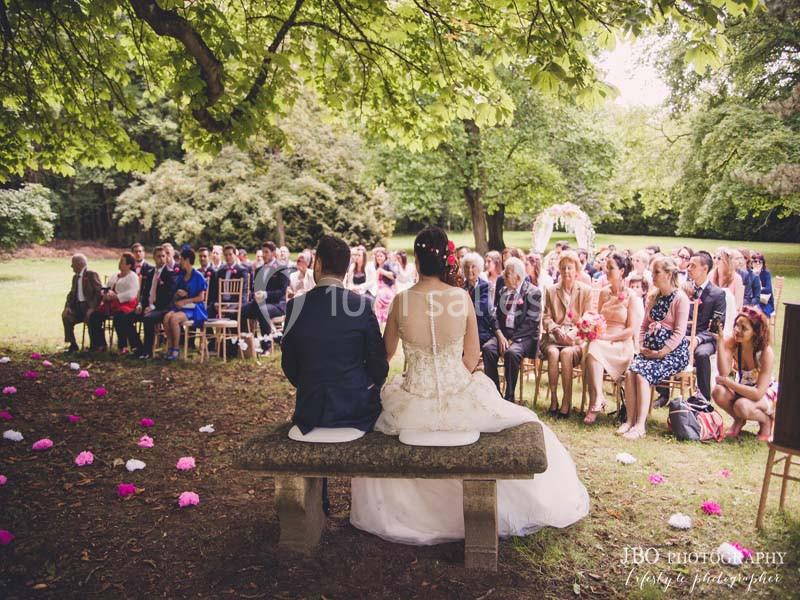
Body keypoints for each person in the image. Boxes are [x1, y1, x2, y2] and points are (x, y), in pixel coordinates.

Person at [350, 227, 589, 545]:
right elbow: (472, 357)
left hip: (412, 400)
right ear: (447, 262)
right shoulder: (460, 299)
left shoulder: (401, 301)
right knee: (518, 421)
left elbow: (387, 355)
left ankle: (415, 515)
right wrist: (449, 379)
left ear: (417, 262)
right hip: (456, 390)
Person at [621, 258, 690, 439]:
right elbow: (643, 326)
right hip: (649, 351)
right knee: (630, 372)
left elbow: (679, 333)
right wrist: (642, 346)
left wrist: (660, 353)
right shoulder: (653, 297)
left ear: (668, 274)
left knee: (642, 374)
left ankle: (640, 425)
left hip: (672, 354)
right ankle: (629, 420)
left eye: (656, 272)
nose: (652, 276)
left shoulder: (680, 299)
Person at [660, 250, 726, 404]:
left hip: (706, 339)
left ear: (705, 269)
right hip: (682, 334)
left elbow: (716, 328)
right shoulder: (682, 290)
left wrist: (697, 339)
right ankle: (663, 393)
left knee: (702, 354)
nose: (688, 268)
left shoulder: (718, 294)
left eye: (693, 266)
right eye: (688, 265)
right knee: (662, 343)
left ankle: (703, 397)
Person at [584, 253, 640, 424]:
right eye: (606, 267)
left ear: (622, 271)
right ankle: (598, 398)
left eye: (611, 268)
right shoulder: (603, 293)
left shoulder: (631, 296)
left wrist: (610, 337)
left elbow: (631, 329)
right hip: (603, 339)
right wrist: (591, 325)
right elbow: (599, 318)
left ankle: (596, 402)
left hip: (622, 343)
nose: (606, 270)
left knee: (594, 347)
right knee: (592, 346)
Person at [481, 257, 542, 402]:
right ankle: (495, 394)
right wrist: (500, 335)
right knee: (488, 349)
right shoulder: (503, 291)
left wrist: (511, 340)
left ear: (518, 278)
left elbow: (531, 323)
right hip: (503, 334)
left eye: (507, 274)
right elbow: (494, 315)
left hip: (523, 337)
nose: (503, 275)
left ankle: (509, 396)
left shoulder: (533, 293)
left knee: (512, 353)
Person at [712, 307, 778, 441]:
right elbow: (724, 372)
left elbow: (758, 393)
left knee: (741, 405)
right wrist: (720, 342)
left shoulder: (765, 352)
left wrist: (728, 383)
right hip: (744, 388)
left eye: (744, 328)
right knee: (717, 391)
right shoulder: (734, 343)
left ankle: (765, 421)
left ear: (755, 332)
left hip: (765, 393)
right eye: (736, 325)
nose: (737, 330)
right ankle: (739, 420)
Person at [541, 251, 592, 417]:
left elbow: (588, 316)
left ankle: (566, 401)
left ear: (576, 270)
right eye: (563, 268)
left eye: (570, 268)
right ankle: (554, 399)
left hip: (575, 340)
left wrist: (574, 331)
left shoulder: (585, 290)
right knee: (553, 353)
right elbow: (546, 317)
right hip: (554, 337)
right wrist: (555, 329)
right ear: (559, 270)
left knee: (566, 353)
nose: (566, 272)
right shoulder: (551, 290)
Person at [87, 252, 140, 352]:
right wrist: (105, 294)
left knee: (119, 317)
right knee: (94, 316)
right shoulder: (114, 275)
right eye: (119, 261)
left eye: (122, 262)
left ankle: (123, 346)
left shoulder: (133, 277)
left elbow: (132, 294)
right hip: (110, 304)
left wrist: (116, 297)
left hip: (126, 304)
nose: (119, 264)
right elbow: (106, 287)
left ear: (129, 265)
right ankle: (100, 344)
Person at [161, 248, 208, 360]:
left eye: (181, 259)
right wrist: (178, 293)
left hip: (194, 307)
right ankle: (170, 347)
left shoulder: (198, 276)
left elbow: (201, 297)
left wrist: (185, 301)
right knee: (166, 317)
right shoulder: (181, 275)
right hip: (182, 306)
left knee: (174, 319)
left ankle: (176, 350)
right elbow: (175, 294)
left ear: (187, 260)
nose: (180, 262)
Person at [241, 241, 290, 339]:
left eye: (266, 252)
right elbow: (255, 288)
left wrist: (266, 294)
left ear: (273, 253)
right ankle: (247, 341)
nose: (263, 255)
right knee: (243, 310)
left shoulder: (282, 269)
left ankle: (266, 344)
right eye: (263, 252)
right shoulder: (259, 269)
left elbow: (282, 292)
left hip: (277, 304)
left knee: (263, 310)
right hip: (260, 303)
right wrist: (255, 295)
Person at [137, 245, 178, 359]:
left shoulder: (170, 274)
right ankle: (137, 347)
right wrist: (141, 304)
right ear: (154, 258)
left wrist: (153, 307)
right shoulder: (150, 273)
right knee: (126, 317)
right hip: (148, 306)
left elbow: (168, 296)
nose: (161, 259)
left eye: (163, 256)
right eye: (158, 256)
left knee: (148, 318)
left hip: (162, 308)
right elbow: (145, 292)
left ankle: (147, 351)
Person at [62, 254, 103, 353]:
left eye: (73, 264)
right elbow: (71, 294)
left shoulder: (91, 274)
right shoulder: (75, 278)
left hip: (88, 306)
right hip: (77, 307)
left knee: (93, 318)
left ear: (80, 264)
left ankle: (95, 346)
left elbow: (99, 292)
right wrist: (67, 307)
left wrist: (92, 308)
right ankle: (73, 344)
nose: (71, 266)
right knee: (66, 316)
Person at [461, 252, 494, 347]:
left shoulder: (485, 287)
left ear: (479, 269)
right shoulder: (461, 287)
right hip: (463, 331)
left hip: (480, 331)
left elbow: (480, 310)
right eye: (466, 267)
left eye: (473, 267)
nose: (469, 270)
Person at [208, 244, 249, 318]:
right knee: (207, 310)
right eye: (226, 255)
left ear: (235, 255)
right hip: (222, 302)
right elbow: (216, 290)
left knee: (230, 313)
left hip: (236, 303)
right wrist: (215, 303)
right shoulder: (221, 271)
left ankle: (232, 329)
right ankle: (208, 329)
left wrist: (231, 305)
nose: (228, 257)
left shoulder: (242, 271)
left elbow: (244, 293)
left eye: (230, 254)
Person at [372, 246, 397, 325]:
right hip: (378, 287)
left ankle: (384, 318)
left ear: (385, 257)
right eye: (377, 256)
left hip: (387, 287)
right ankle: (379, 317)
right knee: (377, 294)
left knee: (381, 295)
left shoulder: (387, 265)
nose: (379, 258)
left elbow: (394, 276)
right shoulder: (376, 266)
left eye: (381, 256)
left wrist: (382, 271)